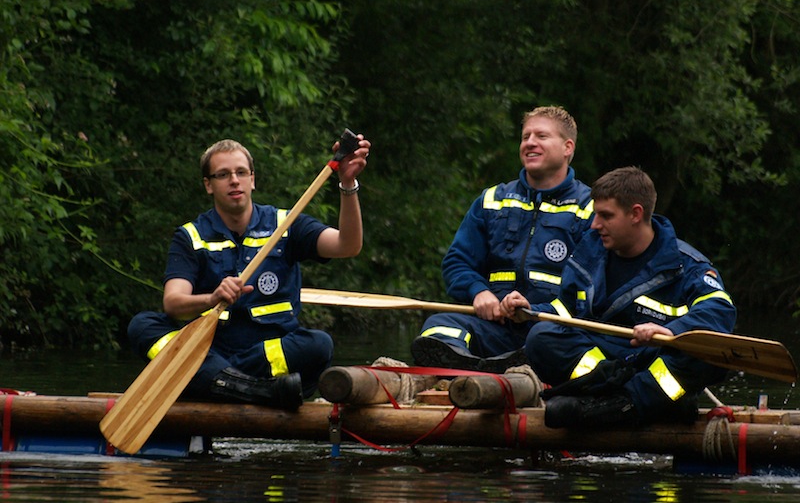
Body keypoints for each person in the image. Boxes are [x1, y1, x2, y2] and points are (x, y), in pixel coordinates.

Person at [128, 134, 371, 409]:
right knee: (142, 326)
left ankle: (219, 384)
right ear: (208, 185)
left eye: (241, 172)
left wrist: (347, 184)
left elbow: (348, 245)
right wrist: (211, 298)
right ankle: (253, 390)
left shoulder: (286, 224)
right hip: (211, 353)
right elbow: (173, 304)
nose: (234, 180)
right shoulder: (191, 236)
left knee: (319, 344)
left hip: (266, 358)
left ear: (252, 179)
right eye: (223, 174)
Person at [522, 166, 736, 428]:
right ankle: (625, 402)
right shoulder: (589, 250)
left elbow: (720, 311)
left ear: (636, 214)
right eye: (595, 214)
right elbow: (565, 311)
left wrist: (671, 331)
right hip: (606, 361)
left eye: (606, 216)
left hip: (653, 358)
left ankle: (626, 403)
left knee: (705, 359)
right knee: (541, 338)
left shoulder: (686, 265)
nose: (595, 225)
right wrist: (528, 310)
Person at [411, 106, 594, 373]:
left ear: (567, 147)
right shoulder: (493, 200)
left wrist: (532, 309)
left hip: (551, 330)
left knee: (545, 341)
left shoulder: (590, 209)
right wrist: (479, 292)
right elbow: (456, 263)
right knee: (438, 326)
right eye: (525, 136)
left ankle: (501, 371)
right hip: (494, 328)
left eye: (541, 136)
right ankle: (472, 370)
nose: (530, 143)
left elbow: (590, 292)